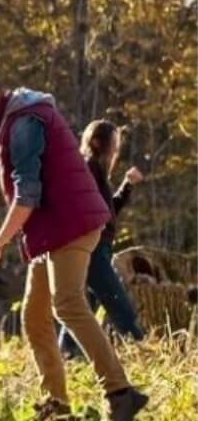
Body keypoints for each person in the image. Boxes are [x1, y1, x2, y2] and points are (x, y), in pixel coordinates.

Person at [0, 65, 148, 421]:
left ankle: (120, 394)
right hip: (51, 230)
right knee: (34, 315)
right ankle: (57, 407)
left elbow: (27, 195)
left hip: (72, 223)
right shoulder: (11, 123)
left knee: (68, 304)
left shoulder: (24, 124)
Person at [58, 120, 146, 357]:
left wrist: (127, 185)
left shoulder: (96, 171)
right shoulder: (88, 169)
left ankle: (68, 354)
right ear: (98, 142)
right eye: (114, 143)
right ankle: (143, 349)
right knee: (117, 301)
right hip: (93, 248)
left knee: (85, 305)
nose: (116, 149)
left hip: (98, 247)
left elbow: (107, 212)